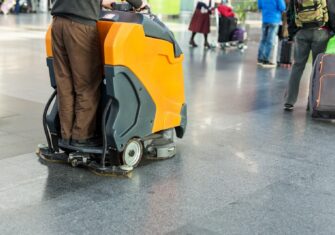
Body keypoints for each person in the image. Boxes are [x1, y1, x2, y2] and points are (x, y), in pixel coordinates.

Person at [51, 0, 144, 147]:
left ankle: (66, 135)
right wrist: (139, 4)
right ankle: (81, 137)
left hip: (58, 23)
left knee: (65, 85)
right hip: (80, 25)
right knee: (87, 85)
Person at [284, 0, 334, 111]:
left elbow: (290, 12)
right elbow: (332, 11)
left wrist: (293, 33)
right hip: (321, 32)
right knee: (317, 69)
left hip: (302, 32)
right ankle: (312, 102)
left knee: (297, 66)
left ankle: (289, 101)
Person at [257, 0, 286, 68]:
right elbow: (282, 7)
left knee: (263, 40)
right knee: (270, 40)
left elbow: (259, 6)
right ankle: (266, 59)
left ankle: (260, 58)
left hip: (265, 19)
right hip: (274, 20)